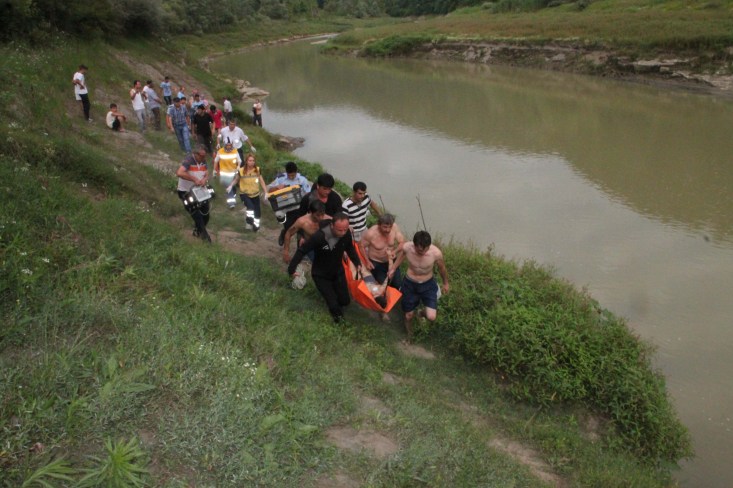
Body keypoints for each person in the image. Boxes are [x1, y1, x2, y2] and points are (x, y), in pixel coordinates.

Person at [287, 213, 362, 323]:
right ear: (332, 225)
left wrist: (357, 263)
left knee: (345, 301)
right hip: (321, 274)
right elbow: (302, 250)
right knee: (333, 305)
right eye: (339, 230)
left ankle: (336, 302)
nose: (342, 233)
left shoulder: (346, 234)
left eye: (345, 230)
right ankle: (340, 323)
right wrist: (291, 269)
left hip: (338, 272)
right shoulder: (320, 237)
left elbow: (350, 248)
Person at [389, 231, 450, 343]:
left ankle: (420, 313)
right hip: (410, 284)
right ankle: (409, 336)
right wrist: (393, 269)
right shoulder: (408, 247)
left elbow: (442, 268)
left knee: (431, 316)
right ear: (414, 245)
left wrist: (445, 283)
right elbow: (401, 256)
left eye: (424, 250)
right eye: (419, 250)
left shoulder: (436, 253)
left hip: (428, 284)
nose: (422, 252)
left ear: (428, 246)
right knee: (408, 315)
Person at [267, 161, 312, 245]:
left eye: (293, 175)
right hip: (286, 206)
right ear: (286, 172)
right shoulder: (281, 178)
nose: (291, 177)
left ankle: (300, 247)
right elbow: (269, 191)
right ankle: (284, 233)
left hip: (299, 206)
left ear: (296, 172)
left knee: (301, 228)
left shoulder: (302, 180)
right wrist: (277, 187)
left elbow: (308, 193)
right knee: (288, 225)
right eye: (289, 175)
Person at [176, 145, 212, 243]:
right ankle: (206, 238)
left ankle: (197, 231)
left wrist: (204, 179)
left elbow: (207, 173)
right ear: (195, 154)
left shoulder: (203, 161)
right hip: (186, 191)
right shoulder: (188, 161)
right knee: (197, 214)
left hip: (199, 191)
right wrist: (194, 179)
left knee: (206, 214)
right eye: (201, 155)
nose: (204, 157)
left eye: (205, 155)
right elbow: (179, 173)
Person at [228, 153, 268, 232]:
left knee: (257, 213)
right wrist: (230, 186)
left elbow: (262, 181)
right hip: (244, 194)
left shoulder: (257, 169)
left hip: (255, 194)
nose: (252, 162)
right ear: (246, 161)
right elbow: (236, 179)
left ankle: (256, 226)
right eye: (250, 160)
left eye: (253, 160)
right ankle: (249, 222)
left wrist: (266, 192)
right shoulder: (241, 170)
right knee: (250, 207)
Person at [282, 200, 329, 264]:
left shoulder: (328, 219)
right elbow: (289, 233)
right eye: (318, 215)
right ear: (311, 212)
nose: (320, 218)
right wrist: (286, 251)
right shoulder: (302, 222)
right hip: (310, 245)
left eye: (322, 214)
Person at [214, 141, 241, 209]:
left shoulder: (235, 151)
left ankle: (232, 194)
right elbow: (216, 161)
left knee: (232, 186)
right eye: (227, 145)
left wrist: (238, 166)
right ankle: (231, 203)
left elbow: (239, 160)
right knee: (229, 187)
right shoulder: (220, 151)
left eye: (230, 145)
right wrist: (214, 170)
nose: (229, 147)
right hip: (224, 173)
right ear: (225, 145)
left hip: (233, 172)